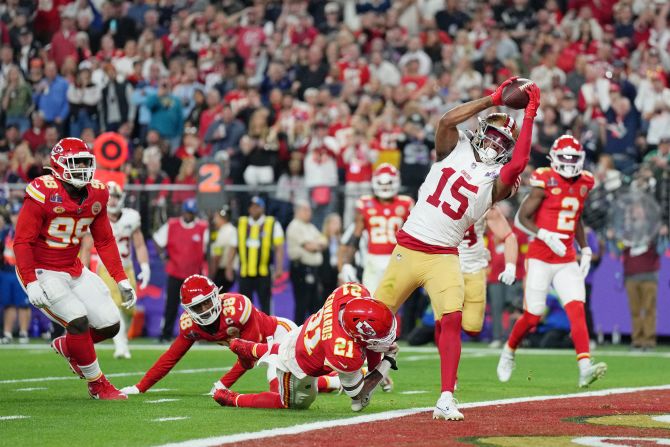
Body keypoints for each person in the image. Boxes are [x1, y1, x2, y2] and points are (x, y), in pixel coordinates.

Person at [374, 77, 540, 420]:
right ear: (481, 131)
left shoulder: (499, 181)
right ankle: (358, 374)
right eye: (491, 133)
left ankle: (446, 396)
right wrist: (492, 99)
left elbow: (518, 165)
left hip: (444, 256)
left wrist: (531, 114)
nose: (495, 143)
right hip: (408, 247)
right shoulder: (454, 146)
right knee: (376, 318)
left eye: (502, 140)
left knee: (452, 319)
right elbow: (446, 121)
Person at [13, 137, 136, 400]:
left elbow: (104, 239)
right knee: (78, 320)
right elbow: (22, 241)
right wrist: (30, 280)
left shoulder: (98, 192)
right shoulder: (43, 191)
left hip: (73, 268)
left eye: (85, 162)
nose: (81, 168)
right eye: (75, 162)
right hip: (41, 269)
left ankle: (68, 346)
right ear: (58, 164)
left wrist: (121, 279)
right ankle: (97, 384)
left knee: (110, 324)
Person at [499, 135, 607, 388]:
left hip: (566, 258)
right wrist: (545, 234)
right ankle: (508, 351)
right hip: (539, 257)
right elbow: (520, 218)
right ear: (554, 159)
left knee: (576, 309)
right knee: (533, 316)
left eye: (573, 158)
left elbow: (576, 216)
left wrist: (586, 248)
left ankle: (584, 367)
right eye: (565, 157)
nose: (569, 163)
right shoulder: (544, 180)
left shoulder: (585, 182)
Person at [213, 283, 398, 411]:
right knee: (289, 404)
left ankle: (251, 348)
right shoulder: (343, 351)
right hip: (296, 365)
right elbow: (358, 398)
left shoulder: (350, 293)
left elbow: (369, 345)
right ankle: (233, 399)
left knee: (287, 348)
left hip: (303, 334)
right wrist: (387, 361)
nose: (388, 338)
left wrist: (377, 362)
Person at [120, 275, 299, 396]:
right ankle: (327, 381)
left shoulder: (237, 309)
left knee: (279, 385)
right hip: (256, 349)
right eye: (198, 307)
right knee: (296, 381)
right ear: (188, 310)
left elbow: (248, 359)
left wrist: (221, 386)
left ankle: (327, 380)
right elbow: (170, 357)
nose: (205, 309)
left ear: (216, 296)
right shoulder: (190, 325)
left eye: (207, 302)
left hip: (278, 334)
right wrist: (140, 387)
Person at [79, 182, 150, 359]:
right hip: (106, 269)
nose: (112, 201)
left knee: (129, 308)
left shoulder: (130, 217)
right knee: (115, 305)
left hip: (127, 267)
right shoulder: (96, 217)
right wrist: (83, 271)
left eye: (115, 197)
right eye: (109, 198)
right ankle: (120, 345)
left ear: (122, 198)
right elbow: (86, 249)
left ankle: (122, 340)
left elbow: (139, 244)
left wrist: (145, 266)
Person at [339, 163, 414, 293]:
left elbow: (415, 236)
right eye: (382, 183)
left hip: (397, 260)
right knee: (372, 300)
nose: (385, 187)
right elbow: (355, 237)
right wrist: (347, 263)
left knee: (393, 304)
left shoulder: (406, 203)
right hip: (372, 260)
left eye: (388, 183)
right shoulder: (365, 204)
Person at [458, 205, 518, 340]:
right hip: (450, 265)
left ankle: (508, 337)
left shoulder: (486, 207)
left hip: (478, 270)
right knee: (446, 317)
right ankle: (497, 337)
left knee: (474, 326)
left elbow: (510, 238)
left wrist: (510, 268)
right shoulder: (439, 200)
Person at [153, 199, 208, 343]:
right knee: (170, 305)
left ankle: (197, 335)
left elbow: (206, 251)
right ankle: (165, 334)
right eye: (187, 212)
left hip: (193, 275)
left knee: (196, 307)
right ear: (183, 211)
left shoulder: (202, 228)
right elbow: (157, 239)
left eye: (191, 213)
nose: (189, 215)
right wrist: (162, 255)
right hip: (175, 271)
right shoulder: (172, 225)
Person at [229, 196, 285, 314]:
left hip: (263, 273)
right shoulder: (241, 223)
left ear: (262, 208)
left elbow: (279, 248)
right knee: (244, 307)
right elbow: (233, 247)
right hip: (245, 272)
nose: (254, 209)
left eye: (257, 207)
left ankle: (267, 331)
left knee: (266, 306)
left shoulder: (272, 223)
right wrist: (229, 267)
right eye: (252, 207)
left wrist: (279, 267)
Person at [287, 200, 327, 324]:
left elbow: (324, 241)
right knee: (302, 304)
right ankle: (297, 333)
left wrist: (317, 244)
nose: (309, 213)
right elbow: (309, 246)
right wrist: (316, 245)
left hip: (314, 270)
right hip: (301, 269)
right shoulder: (295, 226)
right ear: (299, 211)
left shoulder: (310, 226)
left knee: (315, 305)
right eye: (306, 210)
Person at [1, 203, 30, 344]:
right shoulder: (6, 231)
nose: (16, 217)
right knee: (8, 304)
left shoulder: (28, 231)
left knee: (23, 304)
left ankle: (23, 332)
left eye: (18, 214)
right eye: (13, 214)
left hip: (22, 271)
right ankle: (7, 333)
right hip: (6, 271)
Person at [210, 205, 236, 293]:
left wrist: (213, 272)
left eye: (217, 217)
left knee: (218, 298)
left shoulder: (225, 231)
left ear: (222, 219)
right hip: (227, 269)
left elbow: (217, 255)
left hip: (223, 270)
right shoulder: (229, 229)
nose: (215, 220)